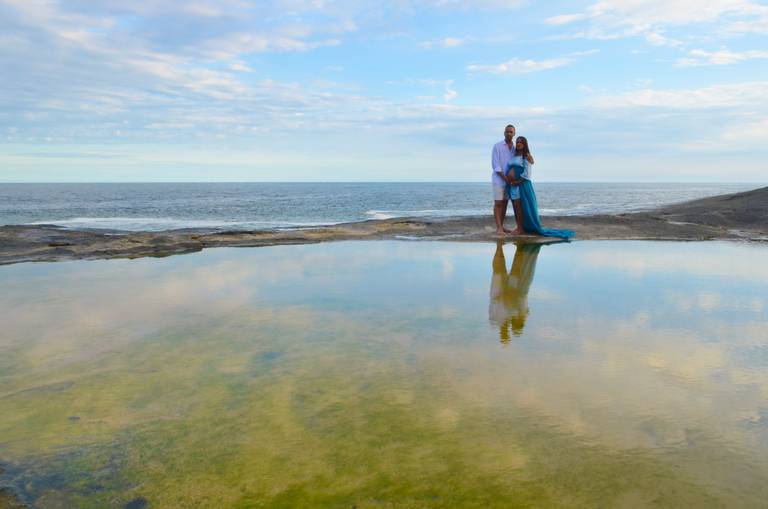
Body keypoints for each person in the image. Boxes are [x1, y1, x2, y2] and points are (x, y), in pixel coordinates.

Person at [505, 137, 575, 239]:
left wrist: (517, 182)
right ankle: (519, 227)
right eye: (517, 142)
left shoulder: (527, 156)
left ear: (525, 144)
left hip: (521, 185)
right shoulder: (514, 155)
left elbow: (527, 174)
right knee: (515, 206)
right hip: (513, 185)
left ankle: (520, 229)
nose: (519, 144)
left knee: (520, 207)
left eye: (521, 142)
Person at [488, 240, 542, 344]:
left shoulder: (520, 312)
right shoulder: (520, 312)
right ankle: (504, 246)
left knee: (501, 274)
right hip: (514, 297)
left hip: (512, 299)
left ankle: (502, 246)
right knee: (504, 273)